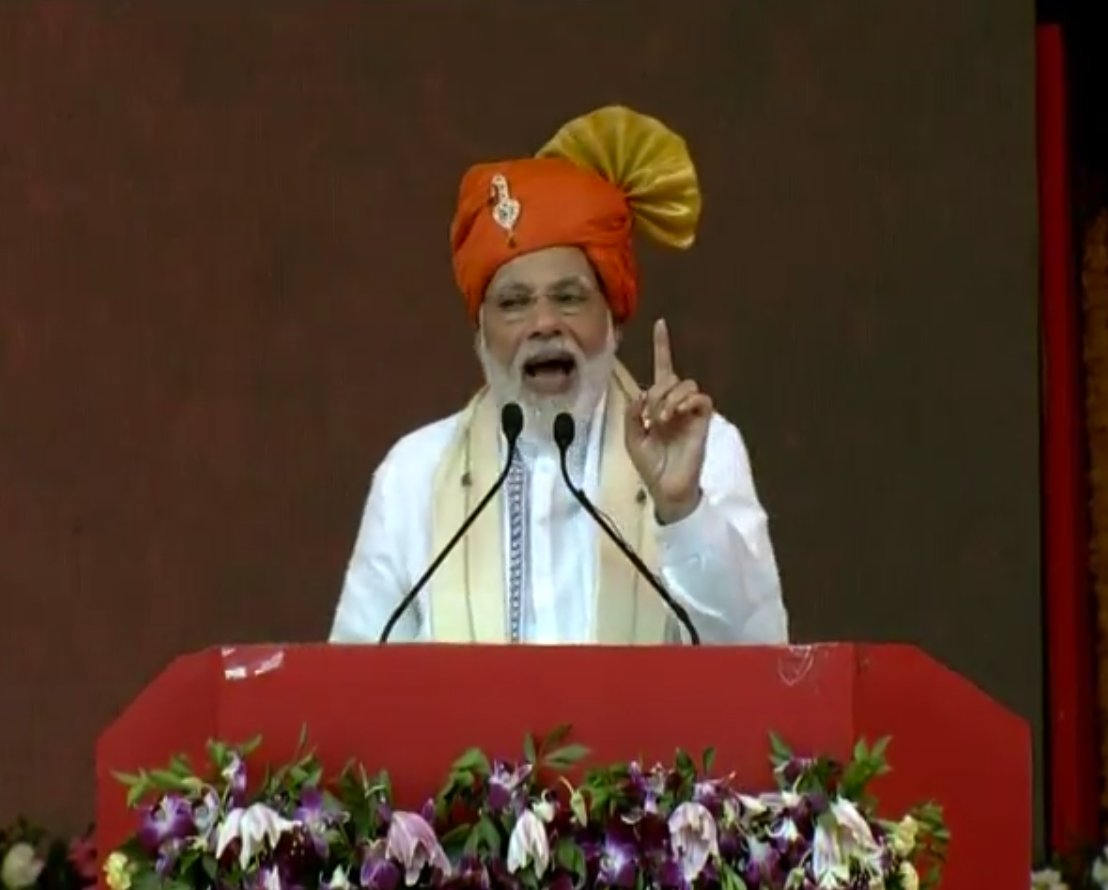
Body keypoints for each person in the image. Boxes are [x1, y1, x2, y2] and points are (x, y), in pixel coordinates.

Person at [328, 106, 787, 645]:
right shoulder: (414, 475)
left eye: (569, 298)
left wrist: (680, 510)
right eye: (514, 303)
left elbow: (761, 656)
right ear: (481, 331)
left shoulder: (702, 451)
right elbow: (353, 679)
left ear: (613, 318)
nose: (544, 323)